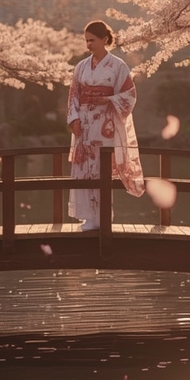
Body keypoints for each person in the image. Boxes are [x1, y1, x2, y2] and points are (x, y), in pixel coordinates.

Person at [67, 20, 144, 231]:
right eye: (86, 41)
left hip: (105, 124)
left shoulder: (118, 66)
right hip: (84, 123)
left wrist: (109, 100)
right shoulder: (81, 67)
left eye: (92, 40)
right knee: (84, 169)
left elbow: (130, 95)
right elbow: (74, 94)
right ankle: (88, 217)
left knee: (101, 170)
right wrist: (74, 120)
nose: (89, 44)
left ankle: (103, 217)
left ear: (105, 39)